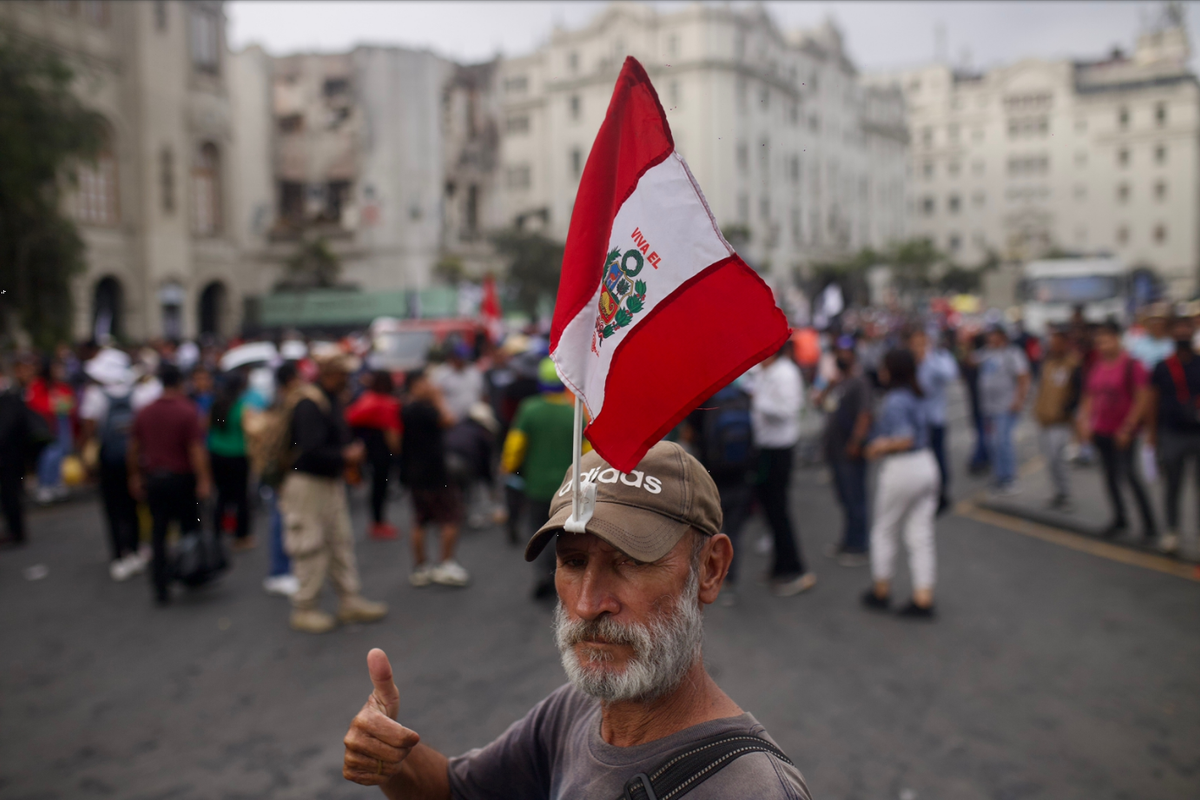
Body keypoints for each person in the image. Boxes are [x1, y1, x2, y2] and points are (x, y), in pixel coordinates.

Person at [342, 441, 811, 800]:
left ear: (710, 569)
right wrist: (392, 760)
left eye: (630, 562)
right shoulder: (575, 710)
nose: (588, 604)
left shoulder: (753, 789)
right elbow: (459, 790)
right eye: (572, 562)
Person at [279, 346, 388, 633]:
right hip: (307, 484)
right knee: (310, 545)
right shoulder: (309, 403)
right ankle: (305, 608)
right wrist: (345, 456)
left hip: (328, 482)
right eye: (344, 372)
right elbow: (310, 450)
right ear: (330, 373)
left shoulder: (331, 399)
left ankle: (349, 601)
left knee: (340, 542)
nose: (349, 377)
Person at [861, 348, 940, 619]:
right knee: (921, 535)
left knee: (885, 529)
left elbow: (903, 438)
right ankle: (923, 596)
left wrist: (877, 446)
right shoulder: (916, 394)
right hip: (927, 464)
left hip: (903, 467)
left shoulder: (894, 399)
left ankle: (881, 589)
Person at [127, 364, 212, 606]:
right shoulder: (187, 411)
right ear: (180, 383)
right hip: (182, 479)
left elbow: (133, 449)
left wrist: (135, 476)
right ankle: (191, 574)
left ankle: (160, 585)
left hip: (155, 479)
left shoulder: (145, 411)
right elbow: (196, 450)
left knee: (158, 533)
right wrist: (204, 480)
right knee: (189, 528)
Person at [500, 358, 582, 599]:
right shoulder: (574, 413)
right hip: (567, 488)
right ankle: (560, 577)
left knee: (537, 530)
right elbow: (587, 452)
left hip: (536, 486)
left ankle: (541, 575)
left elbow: (515, 445)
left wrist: (508, 466)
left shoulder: (529, 409)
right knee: (562, 534)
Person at [1077, 321, 1158, 541]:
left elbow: (1143, 398)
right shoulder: (1097, 367)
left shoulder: (1133, 365)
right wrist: (1085, 422)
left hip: (1124, 432)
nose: (1101, 346)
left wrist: (1129, 427)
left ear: (1116, 339)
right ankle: (1120, 518)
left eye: (1105, 341)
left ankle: (1150, 525)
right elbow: (1089, 396)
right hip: (1101, 430)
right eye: (1098, 343)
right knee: (1110, 476)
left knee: (1130, 476)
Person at [682, 379, 758, 603]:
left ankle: (703, 579)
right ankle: (729, 581)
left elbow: (689, 435)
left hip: (710, 473)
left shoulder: (703, 398)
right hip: (741, 473)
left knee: (707, 526)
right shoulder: (742, 394)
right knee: (733, 530)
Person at [749, 341, 815, 596]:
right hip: (765, 448)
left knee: (778, 510)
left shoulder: (785, 373)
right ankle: (780, 566)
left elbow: (788, 410)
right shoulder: (766, 371)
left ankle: (794, 568)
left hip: (779, 449)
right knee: (769, 509)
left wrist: (758, 401)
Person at [79, 349, 146, 581]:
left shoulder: (94, 395)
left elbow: (89, 428)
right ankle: (136, 550)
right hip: (133, 460)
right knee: (133, 505)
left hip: (108, 459)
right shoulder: (136, 392)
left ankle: (119, 556)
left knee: (112, 509)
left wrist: (86, 458)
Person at [400, 370, 469, 588]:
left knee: (420, 520)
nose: (430, 385)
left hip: (414, 473)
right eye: (425, 382)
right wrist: (438, 398)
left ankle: (421, 567)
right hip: (435, 473)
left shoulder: (406, 408)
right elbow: (449, 420)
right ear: (415, 385)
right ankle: (445, 563)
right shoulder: (424, 409)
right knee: (450, 517)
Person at [1145, 311, 1200, 555]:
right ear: (1171, 334)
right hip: (1171, 433)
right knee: (1172, 485)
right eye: (1177, 330)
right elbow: (1152, 401)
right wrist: (1152, 435)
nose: (1182, 334)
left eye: (1186, 329)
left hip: (1197, 433)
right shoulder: (1162, 367)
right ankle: (1172, 531)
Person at [817, 335, 872, 565]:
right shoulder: (838, 382)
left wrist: (856, 443)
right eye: (839, 352)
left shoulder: (860, 383)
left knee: (855, 498)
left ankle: (859, 545)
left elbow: (865, 415)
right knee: (844, 498)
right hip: (835, 452)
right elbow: (819, 402)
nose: (842, 356)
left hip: (850, 452)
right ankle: (848, 540)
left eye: (846, 352)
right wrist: (828, 386)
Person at [347, 371, 403, 540]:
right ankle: (378, 523)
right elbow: (392, 434)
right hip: (382, 453)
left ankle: (377, 522)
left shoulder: (367, 398)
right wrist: (399, 456)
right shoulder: (387, 403)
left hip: (367, 450)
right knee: (380, 487)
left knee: (376, 487)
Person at [908, 327, 958, 512]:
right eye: (915, 343)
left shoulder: (939, 358)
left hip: (935, 420)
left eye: (922, 342)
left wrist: (927, 358)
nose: (918, 347)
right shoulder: (911, 362)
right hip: (916, 422)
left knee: (939, 460)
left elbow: (949, 375)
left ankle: (942, 495)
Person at [976, 327, 1031, 494]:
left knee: (1003, 442)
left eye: (993, 335)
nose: (990, 339)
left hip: (1006, 407)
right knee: (992, 443)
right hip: (989, 407)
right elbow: (970, 361)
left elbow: (1023, 377)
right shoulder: (986, 353)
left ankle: (1009, 477)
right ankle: (999, 476)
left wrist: (1019, 400)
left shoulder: (1013, 353)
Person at [1033, 329, 1083, 510]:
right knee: (1050, 458)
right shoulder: (1047, 362)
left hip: (1061, 421)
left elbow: (1078, 393)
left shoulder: (1073, 364)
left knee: (1057, 458)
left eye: (1056, 342)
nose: (1053, 346)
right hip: (1044, 418)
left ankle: (1065, 493)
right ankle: (1058, 492)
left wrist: (1067, 410)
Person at [208, 371, 254, 551]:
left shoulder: (216, 405)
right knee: (241, 497)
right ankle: (241, 536)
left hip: (216, 453)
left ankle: (216, 534)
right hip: (237, 455)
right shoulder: (242, 407)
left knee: (221, 496)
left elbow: (208, 425)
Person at [28, 357, 76, 504]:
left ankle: (55, 482)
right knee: (49, 455)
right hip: (44, 428)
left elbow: (70, 404)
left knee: (59, 454)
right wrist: (53, 405)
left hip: (61, 426)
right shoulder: (37, 386)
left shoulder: (61, 386)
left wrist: (60, 405)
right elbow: (34, 404)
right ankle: (45, 484)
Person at [0, 361, 32, 547]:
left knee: (11, 495)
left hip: (9, 456)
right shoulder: (13, 396)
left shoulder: (8, 398)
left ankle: (16, 531)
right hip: (14, 454)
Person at [430, 339, 483, 423]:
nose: (463, 360)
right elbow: (435, 397)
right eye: (460, 357)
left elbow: (481, 393)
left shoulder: (474, 371)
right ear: (452, 357)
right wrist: (445, 414)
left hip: (474, 420)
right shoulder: (441, 374)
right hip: (452, 421)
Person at [1126, 305, 1174, 372]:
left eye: (1159, 321)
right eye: (1153, 321)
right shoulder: (1140, 343)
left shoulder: (1172, 342)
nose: (1156, 325)